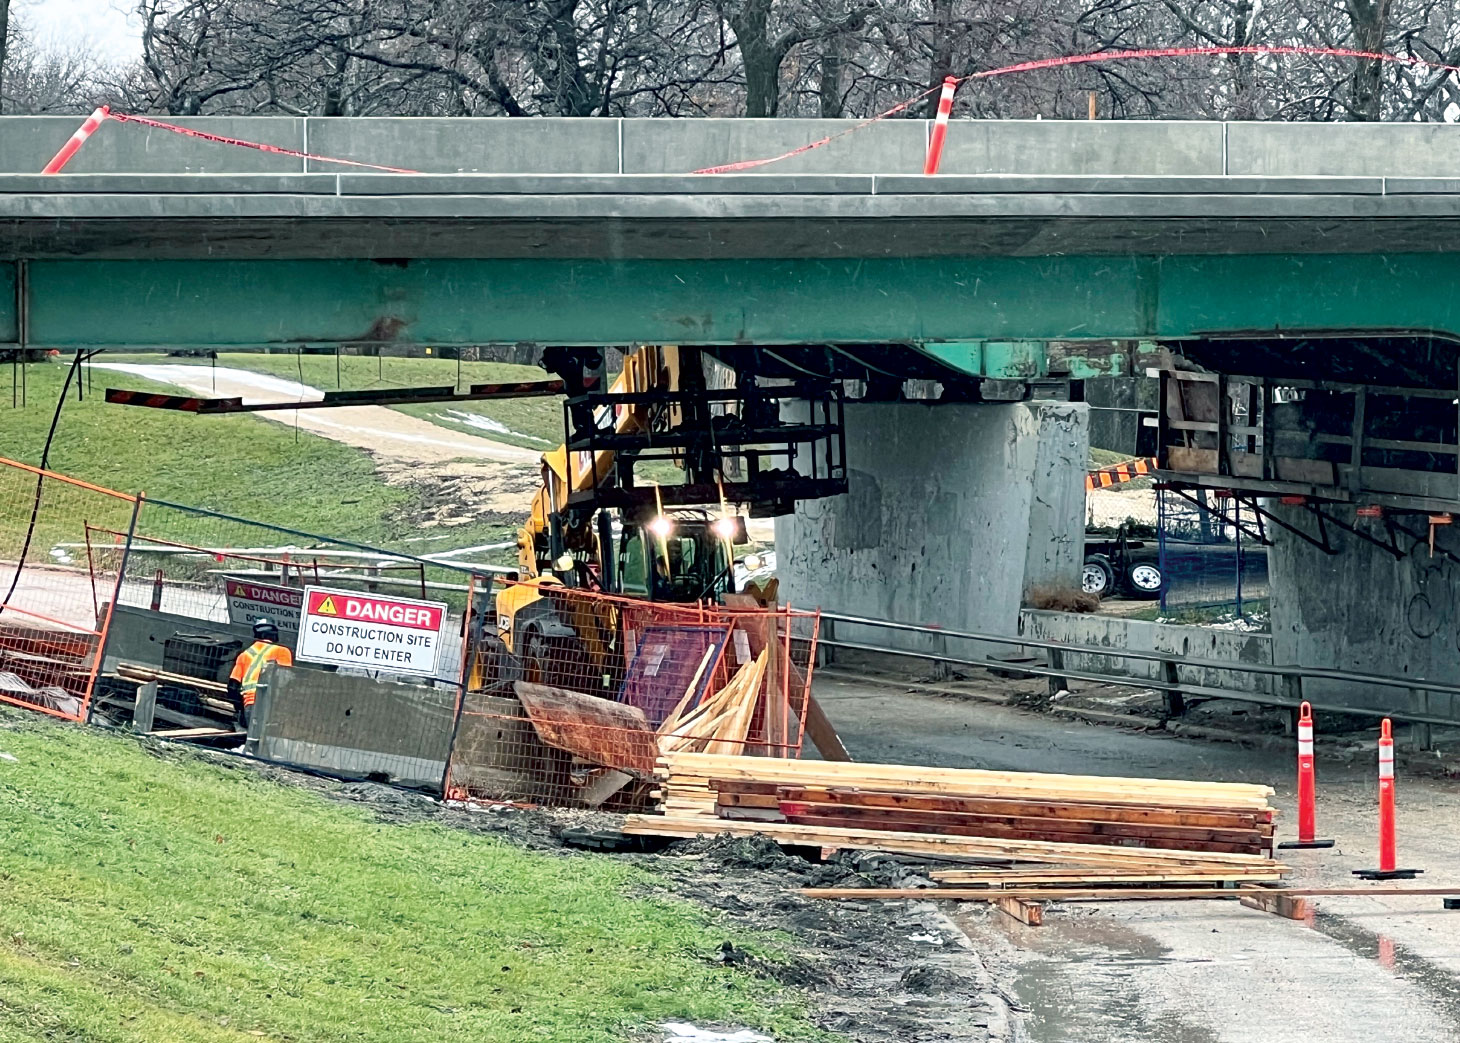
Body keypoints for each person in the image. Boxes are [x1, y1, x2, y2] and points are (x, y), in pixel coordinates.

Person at [228, 618, 293, 728]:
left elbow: (232, 686)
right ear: (274, 633)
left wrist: (240, 710)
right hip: (270, 703)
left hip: (249, 702)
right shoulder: (282, 651)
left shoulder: (244, 655)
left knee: (253, 738)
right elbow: (285, 681)